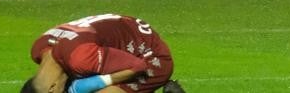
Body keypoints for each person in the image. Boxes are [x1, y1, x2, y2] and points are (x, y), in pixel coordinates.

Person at [20, 13, 185, 93]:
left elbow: (137, 66)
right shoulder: (38, 49)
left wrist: (98, 82)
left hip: (149, 56)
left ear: (52, 89)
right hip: (121, 41)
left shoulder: (80, 58)